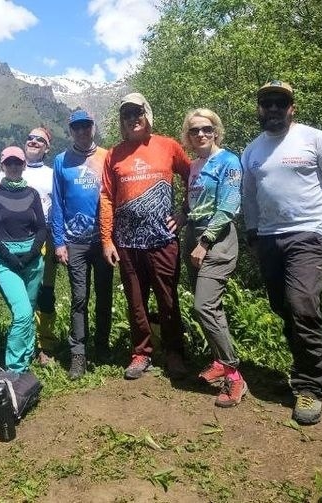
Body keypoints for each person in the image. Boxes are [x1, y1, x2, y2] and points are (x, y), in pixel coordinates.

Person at [241, 80, 322, 425]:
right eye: (267, 103)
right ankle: (304, 366)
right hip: (268, 238)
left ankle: (311, 385)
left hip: (309, 234)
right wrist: (252, 234)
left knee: (301, 303)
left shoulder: (316, 139)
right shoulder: (252, 151)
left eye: (280, 102)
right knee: (283, 306)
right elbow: (249, 197)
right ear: (259, 109)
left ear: (292, 108)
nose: (273, 108)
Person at [100, 93, 191, 380]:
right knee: (136, 300)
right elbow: (106, 197)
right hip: (127, 242)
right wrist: (106, 240)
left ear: (147, 115)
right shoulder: (114, 154)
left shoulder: (168, 146)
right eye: (127, 115)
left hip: (163, 238)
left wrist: (185, 212)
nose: (133, 119)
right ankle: (141, 353)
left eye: (137, 113)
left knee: (168, 297)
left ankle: (174, 352)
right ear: (122, 121)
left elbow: (193, 176)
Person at [180, 109, 246, 407]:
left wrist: (204, 242)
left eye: (206, 129)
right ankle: (220, 360)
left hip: (216, 239)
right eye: (194, 131)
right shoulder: (194, 165)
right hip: (193, 234)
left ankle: (234, 375)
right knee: (210, 307)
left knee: (203, 305)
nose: (201, 134)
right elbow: (193, 203)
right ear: (188, 136)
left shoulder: (229, 161)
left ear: (216, 131)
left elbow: (229, 205)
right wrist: (180, 217)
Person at [51, 109, 113, 379]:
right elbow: (57, 203)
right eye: (76, 127)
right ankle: (78, 353)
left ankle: (102, 346)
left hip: (103, 239)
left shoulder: (106, 156)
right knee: (79, 297)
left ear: (93, 127)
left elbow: (114, 197)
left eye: (86, 126)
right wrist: (58, 242)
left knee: (104, 294)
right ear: (71, 131)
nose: (82, 131)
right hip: (73, 241)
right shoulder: (61, 161)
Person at [0, 146, 47, 373]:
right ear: (2, 166)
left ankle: (27, 356)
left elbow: (42, 228)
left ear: (24, 165)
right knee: (22, 313)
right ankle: (15, 369)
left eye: (17, 162)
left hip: (33, 261)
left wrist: (32, 254)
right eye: (8, 163)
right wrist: (8, 256)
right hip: (5, 262)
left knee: (29, 311)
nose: (13, 167)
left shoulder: (32, 193)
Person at [0, 126, 58, 364]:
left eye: (40, 140)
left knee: (45, 292)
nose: (34, 142)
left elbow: (59, 206)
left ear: (47, 148)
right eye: (30, 138)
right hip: (16, 241)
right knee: (23, 296)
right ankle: (27, 340)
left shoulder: (52, 174)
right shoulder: (7, 172)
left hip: (46, 237)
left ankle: (46, 344)